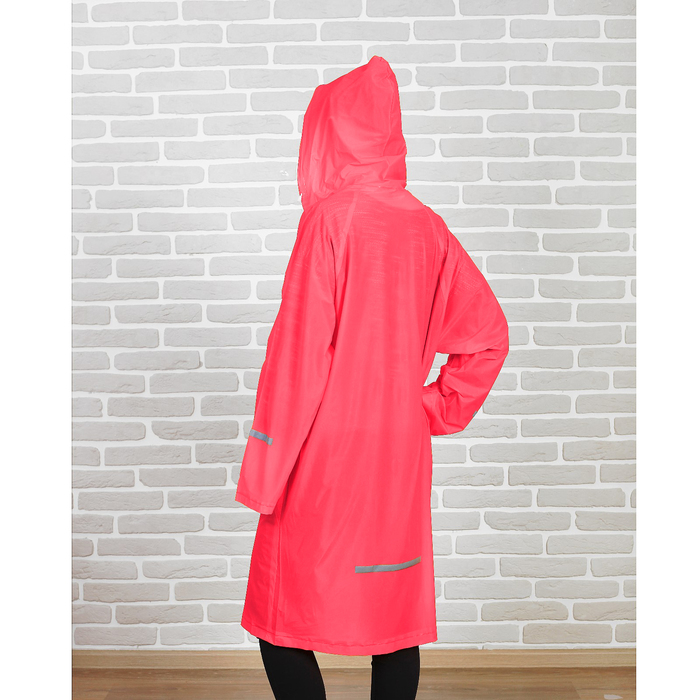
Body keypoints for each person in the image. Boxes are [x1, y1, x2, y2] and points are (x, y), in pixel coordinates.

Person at [235, 55, 510, 699]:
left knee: (281, 616)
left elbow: (296, 358)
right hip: (397, 453)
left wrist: (264, 469)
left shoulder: (329, 221)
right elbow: (487, 339)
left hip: (322, 452)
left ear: (327, 137)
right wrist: (428, 408)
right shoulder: (428, 227)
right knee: (393, 619)